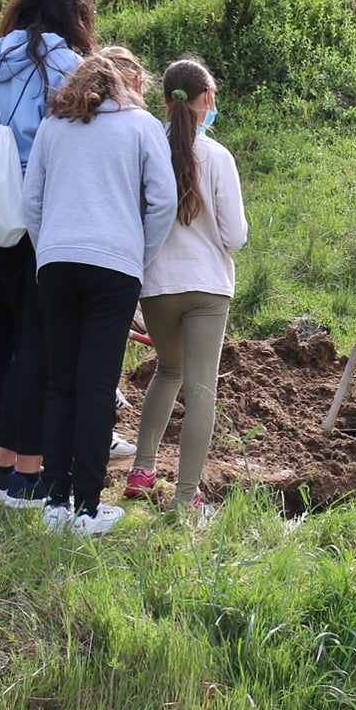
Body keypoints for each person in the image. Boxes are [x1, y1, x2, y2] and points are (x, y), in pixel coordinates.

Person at [24, 49, 177, 537]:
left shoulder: (53, 126)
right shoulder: (141, 126)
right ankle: (88, 507)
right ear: (125, 86)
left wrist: (48, 245)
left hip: (57, 260)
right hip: (114, 264)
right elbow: (164, 200)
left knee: (59, 382)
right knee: (95, 386)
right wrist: (140, 253)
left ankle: (54, 499)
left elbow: (32, 201)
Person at [0, 0, 99, 502]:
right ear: (77, 9)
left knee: (4, 343)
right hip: (41, 216)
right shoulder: (72, 65)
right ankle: (27, 472)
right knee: (37, 345)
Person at [123, 58, 248, 518]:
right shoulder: (216, 156)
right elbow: (234, 236)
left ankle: (141, 470)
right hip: (207, 287)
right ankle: (185, 497)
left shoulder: (144, 147)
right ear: (207, 100)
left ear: (163, 100)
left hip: (156, 284)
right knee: (201, 389)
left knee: (166, 372)